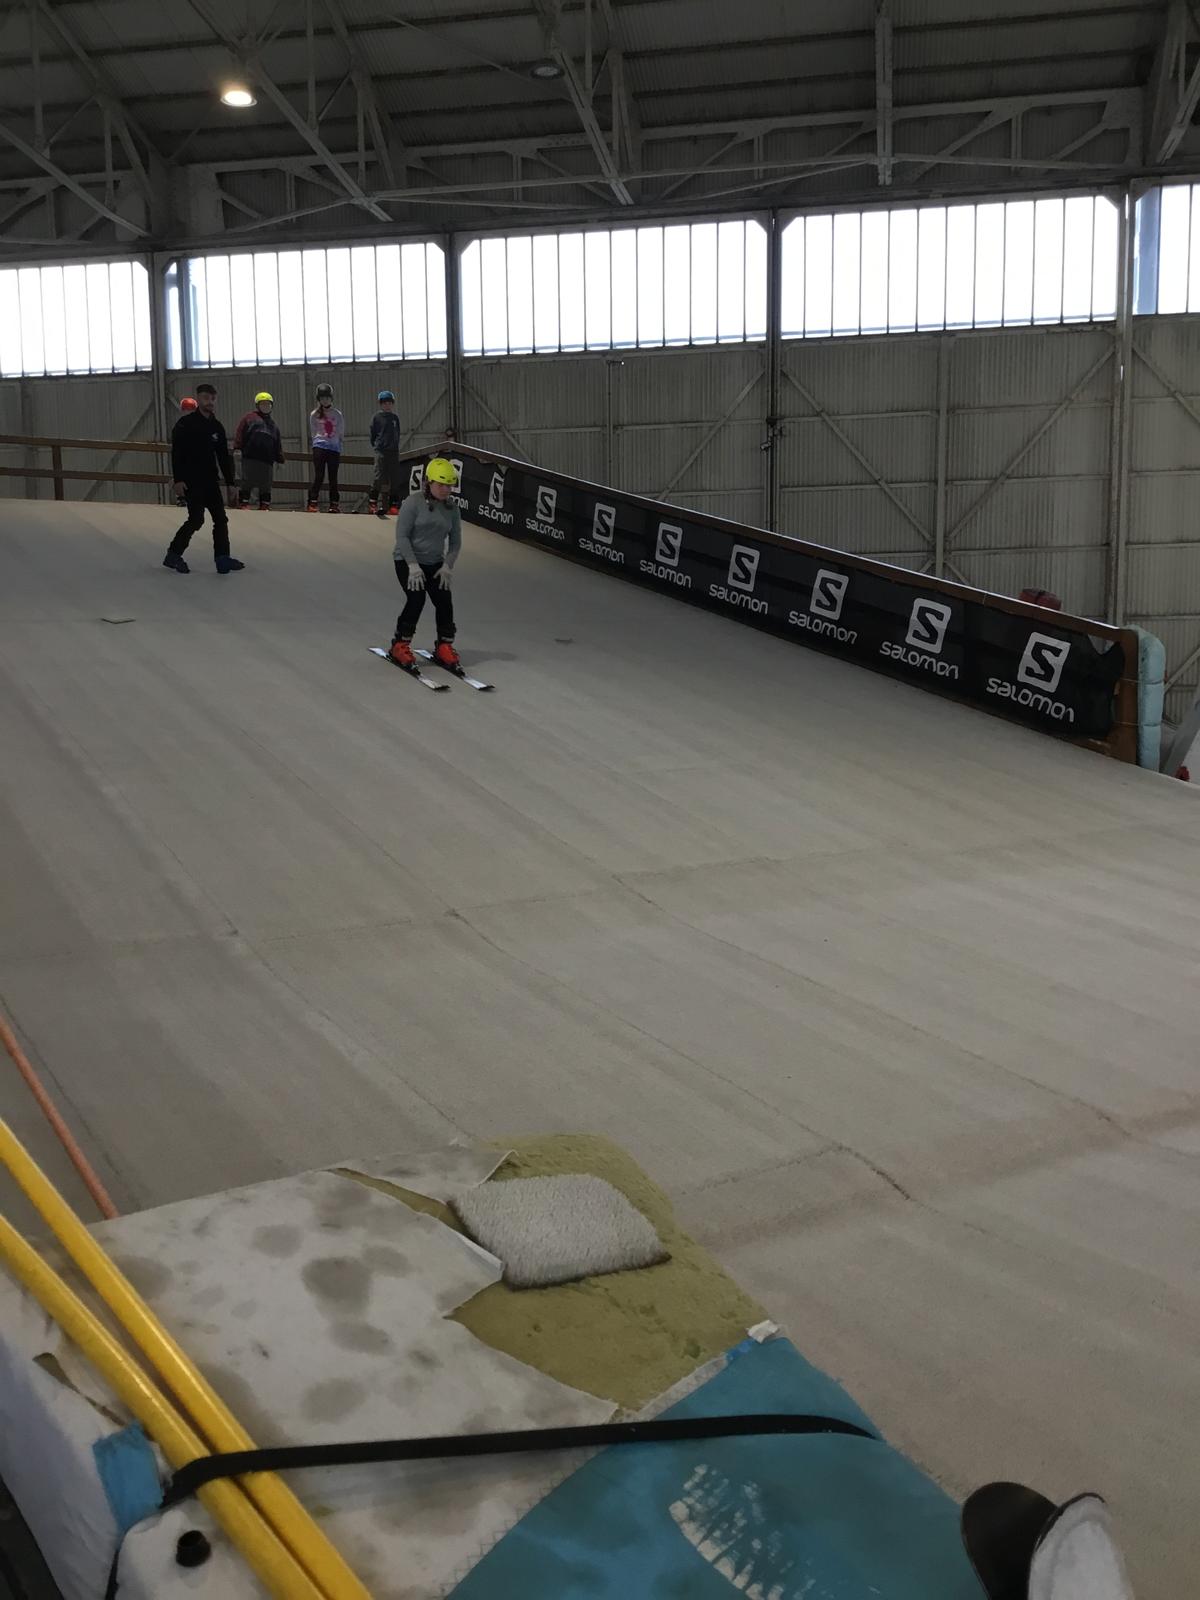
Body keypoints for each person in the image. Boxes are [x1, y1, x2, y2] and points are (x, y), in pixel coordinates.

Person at [388, 457, 462, 670]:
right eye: (441, 485)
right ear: (429, 482)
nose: (446, 489)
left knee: (444, 600)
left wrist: (447, 565)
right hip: (407, 560)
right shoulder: (413, 503)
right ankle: (400, 644)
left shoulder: (452, 509)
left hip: (434, 562)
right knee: (416, 598)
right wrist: (412, 566)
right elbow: (402, 537)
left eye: (449, 485)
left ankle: (444, 645)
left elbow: (455, 542)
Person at [163, 383, 243, 575]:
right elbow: (177, 453)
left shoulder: (217, 427)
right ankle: (173, 554)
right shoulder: (185, 424)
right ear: (198, 399)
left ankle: (222, 558)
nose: (210, 402)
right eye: (206, 398)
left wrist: (230, 483)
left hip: (210, 481)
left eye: (213, 398)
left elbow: (223, 457)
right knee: (196, 519)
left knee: (220, 519)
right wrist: (179, 480)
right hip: (191, 481)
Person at [233, 391, 284, 509]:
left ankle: (264, 505)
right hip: (250, 457)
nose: (266, 406)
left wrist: (280, 459)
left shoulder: (273, 425)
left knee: (266, 483)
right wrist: (237, 448)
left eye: (268, 404)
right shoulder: (249, 418)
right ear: (257, 406)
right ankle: (244, 503)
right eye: (263, 404)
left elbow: (277, 443)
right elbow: (240, 432)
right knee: (247, 480)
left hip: (267, 460)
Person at [308, 382, 344, 512]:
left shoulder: (337, 414)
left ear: (331, 398)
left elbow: (341, 431)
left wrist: (337, 443)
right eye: (322, 398)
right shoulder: (314, 414)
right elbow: (313, 432)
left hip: (334, 448)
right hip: (319, 447)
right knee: (319, 475)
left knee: (333, 477)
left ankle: (334, 504)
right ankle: (312, 502)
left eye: (327, 398)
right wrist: (318, 442)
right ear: (319, 399)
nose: (325, 400)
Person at [369, 390, 402, 518]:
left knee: (395, 478)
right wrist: (378, 446)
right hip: (381, 450)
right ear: (381, 404)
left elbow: (397, 433)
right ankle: (372, 503)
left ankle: (393, 505)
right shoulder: (377, 418)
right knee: (378, 476)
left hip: (393, 451)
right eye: (384, 403)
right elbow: (373, 435)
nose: (387, 405)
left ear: (392, 404)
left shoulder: (395, 418)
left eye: (389, 403)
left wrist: (394, 446)